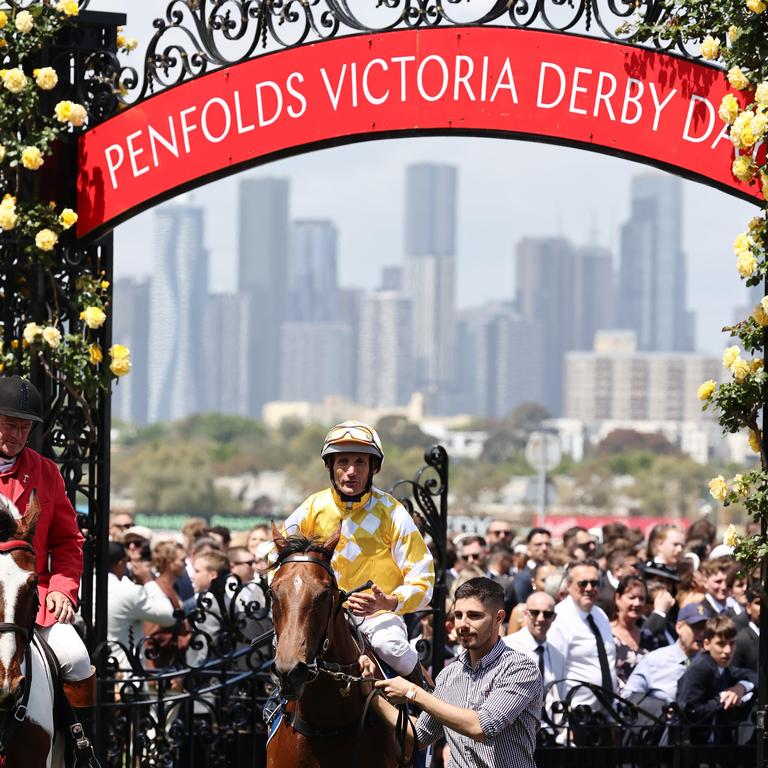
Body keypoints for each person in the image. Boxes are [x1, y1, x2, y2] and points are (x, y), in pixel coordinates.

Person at [281, 420, 434, 679]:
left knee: (392, 647)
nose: (351, 471)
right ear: (330, 466)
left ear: (373, 467)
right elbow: (275, 556)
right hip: (321, 616)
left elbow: (424, 580)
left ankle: (428, 700)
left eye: (360, 462)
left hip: (376, 617)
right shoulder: (311, 507)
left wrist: (388, 601)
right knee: (285, 650)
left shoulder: (393, 512)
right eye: (343, 462)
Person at [371, 578, 542, 768]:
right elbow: (420, 736)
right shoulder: (449, 674)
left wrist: (413, 693)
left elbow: (481, 726)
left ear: (498, 618)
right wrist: (371, 696)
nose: (463, 624)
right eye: (458, 615)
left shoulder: (520, 668)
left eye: (474, 615)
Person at [0, 376, 94, 707]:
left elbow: (68, 542)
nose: (18, 436)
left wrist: (61, 588)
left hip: (31, 599)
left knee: (78, 659)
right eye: (10, 425)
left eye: (25, 428)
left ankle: (78, 753)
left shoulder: (47, 472)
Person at [547, 560, 617, 709]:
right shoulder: (559, 618)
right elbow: (554, 673)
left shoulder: (600, 615)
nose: (589, 588)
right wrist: (561, 721)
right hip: (576, 712)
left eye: (594, 583)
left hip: (607, 713)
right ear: (568, 585)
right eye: (583, 583)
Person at [677, 615, 757, 744]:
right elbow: (688, 713)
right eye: (721, 644)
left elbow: (753, 676)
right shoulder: (701, 668)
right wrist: (722, 698)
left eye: (732, 643)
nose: (728, 650)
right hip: (694, 747)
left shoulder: (722, 666)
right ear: (707, 644)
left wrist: (741, 687)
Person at [106, 541, 175, 669]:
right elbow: (169, 616)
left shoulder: (83, 586)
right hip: (124, 676)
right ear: (120, 563)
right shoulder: (129, 591)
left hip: (88, 673)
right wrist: (148, 581)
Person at [624, 602, 708, 704]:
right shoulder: (654, 660)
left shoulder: (709, 663)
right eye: (696, 627)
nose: (702, 633)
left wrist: (733, 689)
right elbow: (628, 697)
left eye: (705, 628)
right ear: (679, 627)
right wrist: (659, 708)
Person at [503, 591, 566, 719]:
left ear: (554, 617)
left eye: (547, 614)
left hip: (550, 730)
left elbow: (559, 695)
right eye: (535, 613)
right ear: (526, 614)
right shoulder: (507, 647)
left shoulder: (557, 655)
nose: (541, 618)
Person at [610, 576, 648, 688]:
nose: (637, 603)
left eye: (641, 599)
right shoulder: (606, 633)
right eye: (632, 597)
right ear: (618, 598)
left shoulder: (647, 636)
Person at [513, 527, 552, 603]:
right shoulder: (522, 577)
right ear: (528, 548)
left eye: (547, 544)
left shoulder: (556, 571)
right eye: (538, 544)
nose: (544, 548)